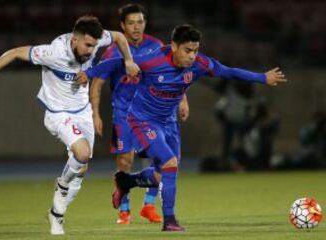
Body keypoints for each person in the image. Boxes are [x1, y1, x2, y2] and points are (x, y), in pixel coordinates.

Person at [80, 24, 286, 231]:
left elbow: (228, 72)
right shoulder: (152, 60)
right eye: (188, 50)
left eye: (195, 50)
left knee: (164, 173)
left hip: (169, 122)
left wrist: (262, 78)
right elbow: (114, 64)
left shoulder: (200, 64)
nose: (192, 56)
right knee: (170, 164)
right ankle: (169, 221)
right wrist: (88, 73)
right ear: (174, 47)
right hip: (143, 120)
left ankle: (126, 182)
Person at [0, 15, 139, 235]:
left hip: (83, 112)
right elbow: (14, 52)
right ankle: (61, 186)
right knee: (82, 153)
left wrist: (128, 60)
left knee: (82, 168)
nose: (90, 50)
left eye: (94, 46)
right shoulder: (53, 52)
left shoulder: (98, 39)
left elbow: (118, 36)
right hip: (58, 114)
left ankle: (57, 214)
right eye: (87, 45)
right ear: (74, 40)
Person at [91, 3, 189, 225]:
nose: (136, 27)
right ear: (122, 26)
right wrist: (95, 113)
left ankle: (148, 205)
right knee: (125, 160)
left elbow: (176, 71)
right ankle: (124, 210)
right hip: (123, 114)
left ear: (145, 23)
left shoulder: (156, 46)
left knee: (163, 161)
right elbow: (96, 84)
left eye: (140, 22)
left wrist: (183, 100)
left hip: (153, 114)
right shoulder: (113, 51)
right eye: (131, 23)